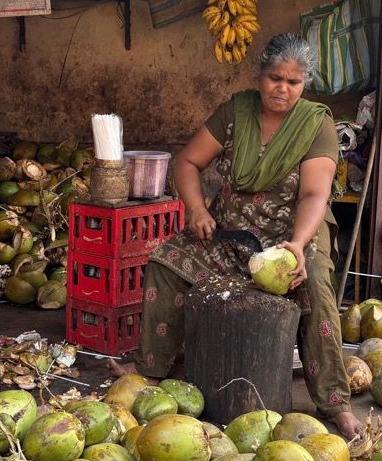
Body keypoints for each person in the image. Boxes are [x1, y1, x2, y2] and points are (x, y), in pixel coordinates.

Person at [109, 33, 364, 439]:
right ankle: (151, 370)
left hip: (291, 237)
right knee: (166, 262)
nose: (282, 88)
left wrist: (298, 245)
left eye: (293, 82)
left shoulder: (316, 124)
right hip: (230, 232)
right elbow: (187, 162)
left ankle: (334, 403)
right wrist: (197, 209)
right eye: (275, 78)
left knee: (315, 284)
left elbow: (314, 195)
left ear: (305, 84)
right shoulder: (235, 112)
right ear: (260, 75)